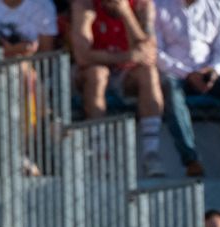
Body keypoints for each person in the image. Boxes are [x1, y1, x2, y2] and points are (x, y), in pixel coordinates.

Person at [157, 0, 220, 177]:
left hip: (210, 74)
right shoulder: (158, 6)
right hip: (175, 74)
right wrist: (188, 74)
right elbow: (157, 52)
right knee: (169, 87)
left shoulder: (217, 7)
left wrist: (214, 71)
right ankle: (191, 160)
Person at [70, 0, 165, 176]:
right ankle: (99, 153)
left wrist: (126, 13)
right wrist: (127, 56)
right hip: (91, 70)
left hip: (124, 73)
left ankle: (151, 152)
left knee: (149, 73)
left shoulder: (142, 6)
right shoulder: (85, 5)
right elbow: (82, 56)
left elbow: (149, 51)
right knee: (97, 75)